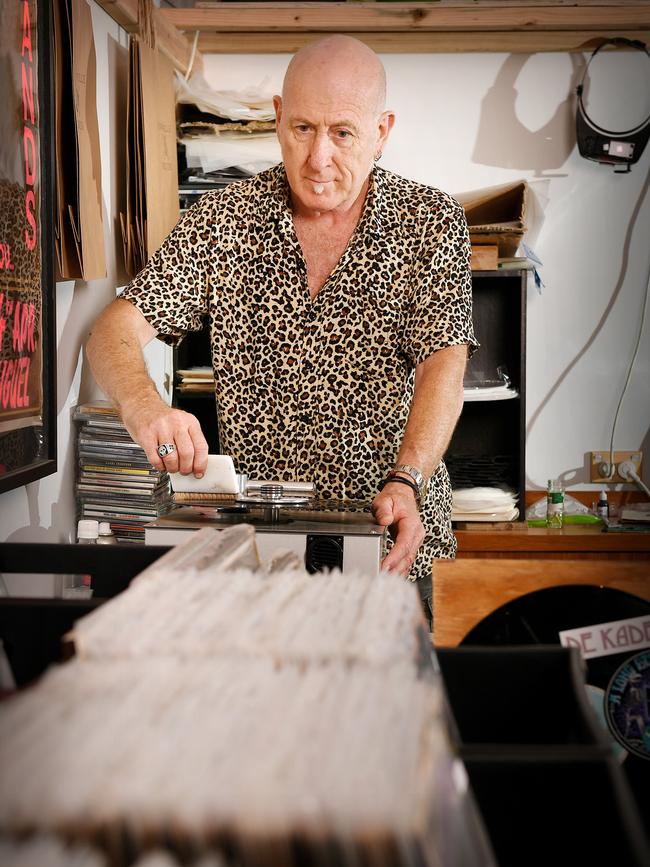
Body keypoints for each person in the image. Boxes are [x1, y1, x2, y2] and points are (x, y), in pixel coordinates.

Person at [86, 35, 477, 618]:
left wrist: (408, 479)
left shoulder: (430, 222)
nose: (318, 157)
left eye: (343, 132)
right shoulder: (224, 219)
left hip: (387, 536)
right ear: (276, 117)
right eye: (302, 129)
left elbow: (443, 365)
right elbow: (111, 330)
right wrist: (145, 408)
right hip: (264, 548)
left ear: (382, 130)